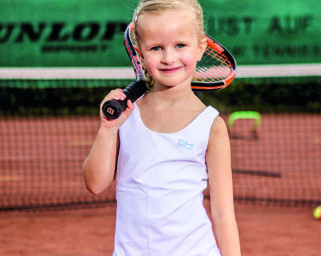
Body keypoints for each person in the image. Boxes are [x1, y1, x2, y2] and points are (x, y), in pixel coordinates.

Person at [82, 0, 241, 255]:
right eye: (156, 47)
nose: (169, 57)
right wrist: (108, 130)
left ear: (201, 48)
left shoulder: (212, 127)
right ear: (140, 53)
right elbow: (95, 184)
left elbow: (223, 214)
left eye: (180, 45)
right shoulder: (126, 116)